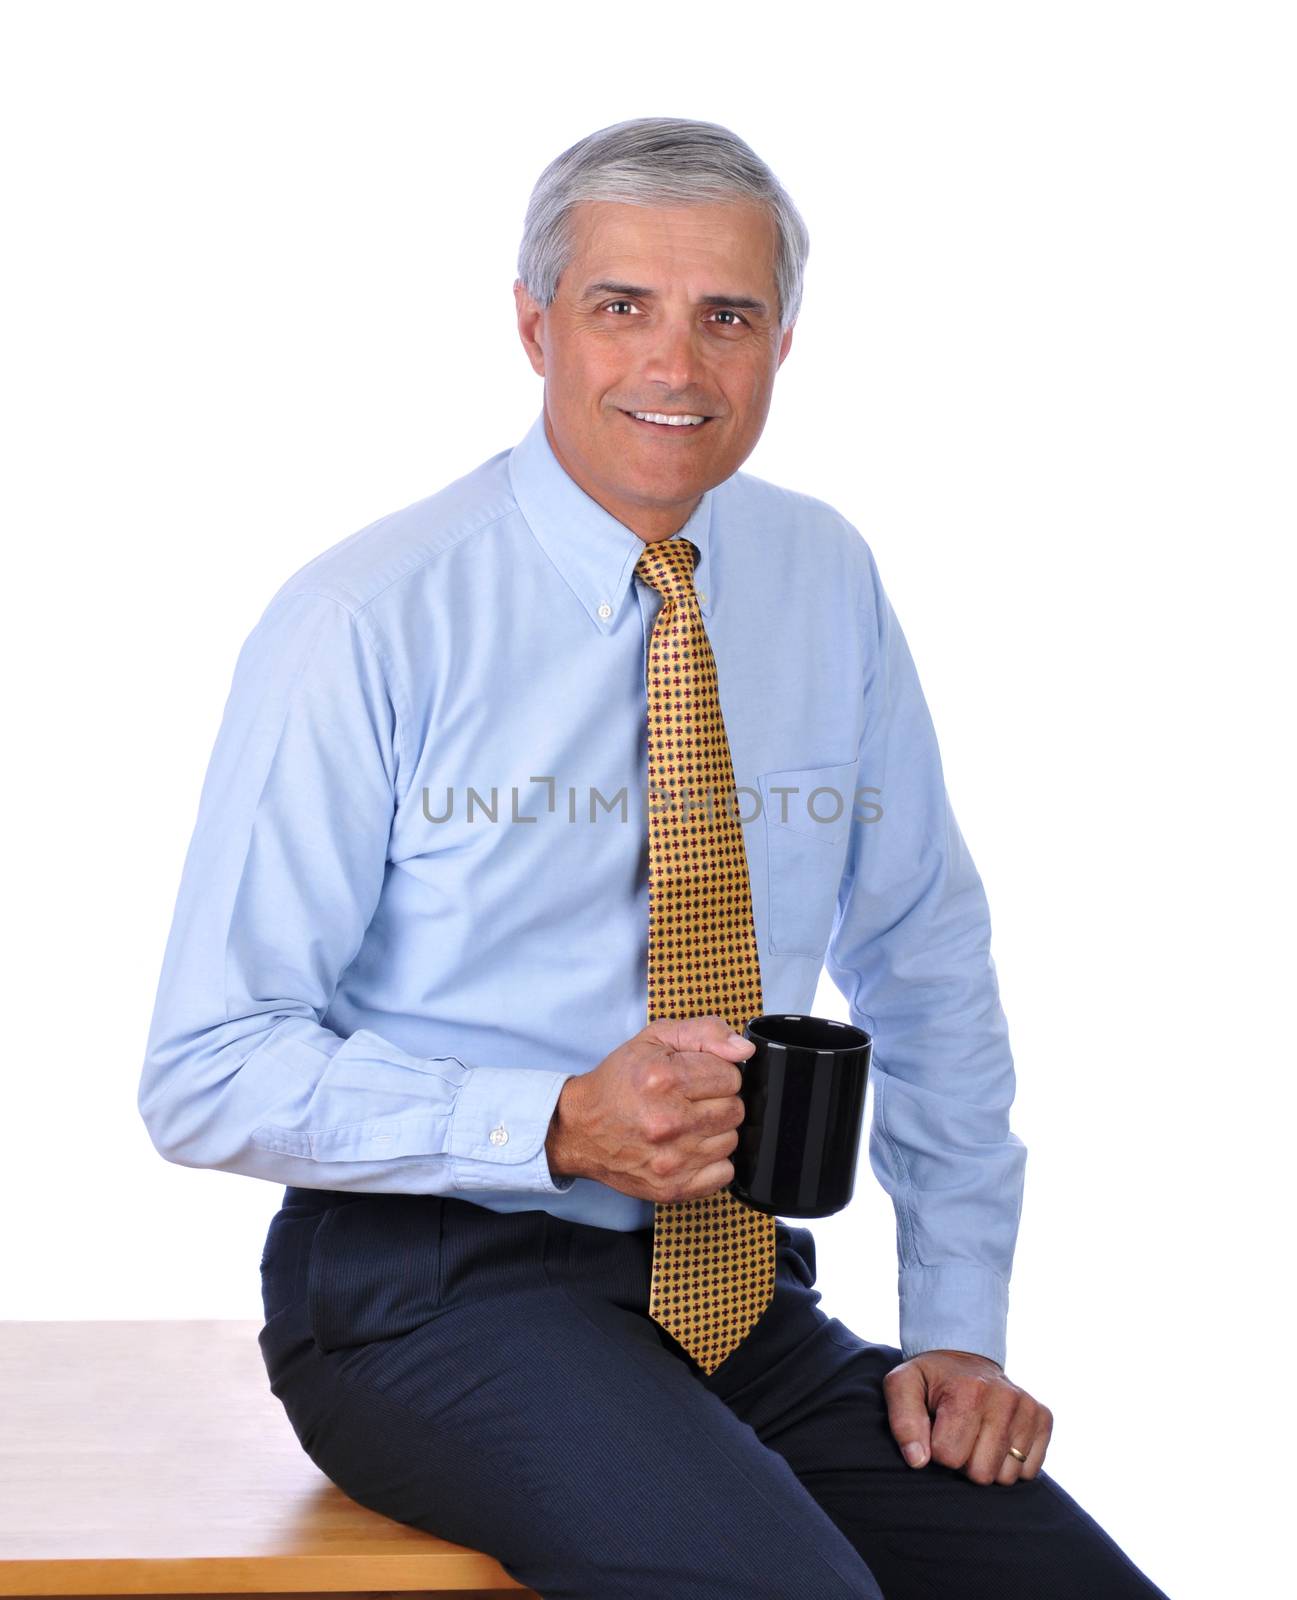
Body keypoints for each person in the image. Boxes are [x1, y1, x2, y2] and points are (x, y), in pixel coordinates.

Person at [138, 116, 1171, 1600]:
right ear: (532, 323)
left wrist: (955, 1323)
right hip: (431, 1292)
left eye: (725, 316)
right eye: (622, 305)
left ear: (781, 343)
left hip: (733, 1293)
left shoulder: (820, 573)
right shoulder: (365, 621)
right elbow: (205, 1066)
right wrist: (551, 1123)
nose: (674, 367)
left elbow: (923, 956)